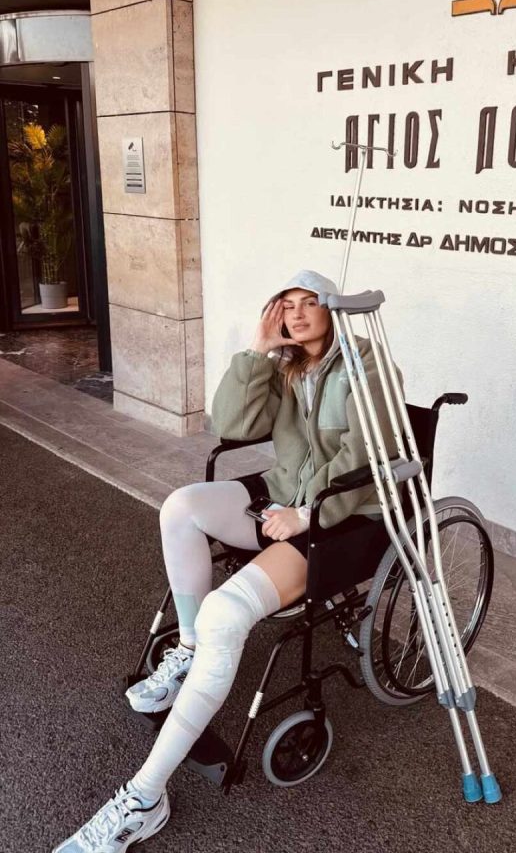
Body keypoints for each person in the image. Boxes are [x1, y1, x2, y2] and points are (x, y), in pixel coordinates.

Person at [54, 270, 398, 853]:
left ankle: (144, 797)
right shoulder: (288, 367)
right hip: (285, 498)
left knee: (224, 613)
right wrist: (257, 351)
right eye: (286, 305)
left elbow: (367, 456)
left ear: (333, 309)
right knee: (180, 507)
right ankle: (188, 650)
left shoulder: (367, 366)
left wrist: (306, 513)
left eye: (309, 303)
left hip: (343, 518)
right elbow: (233, 425)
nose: (296, 313)